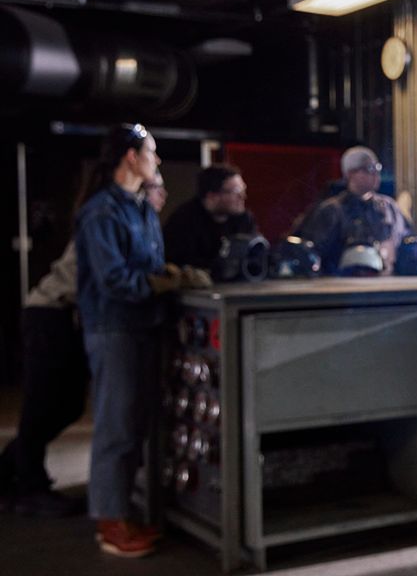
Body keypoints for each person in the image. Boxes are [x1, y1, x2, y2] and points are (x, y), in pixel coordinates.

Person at [0, 171, 169, 519]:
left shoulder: (134, 226)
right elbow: (115, 279)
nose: (162, 195)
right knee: (44, 405)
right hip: (51, 313)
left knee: (67, 406)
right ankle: (28, 488)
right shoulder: (111, 222)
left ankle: (9, 472)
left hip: (72, 316)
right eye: (155, 188)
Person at [75, 125, 205, 558]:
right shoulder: (102, 212)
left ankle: (127, 512)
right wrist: (161, 282)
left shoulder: (140, 208)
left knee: (136, 425)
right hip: (115, 328)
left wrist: (171, 276)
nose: (158, 159)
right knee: (117, 426)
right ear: (131, 157)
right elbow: (114, 279)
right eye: (151, 151)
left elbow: (149, 264)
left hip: (144, 326)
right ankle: (110, 521)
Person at [294, 146, 411, 276]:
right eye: (369, 169)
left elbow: (405, 241)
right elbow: (313, 253)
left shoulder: (389, 207)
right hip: (341, 282)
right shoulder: (331, 211)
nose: (375, 174)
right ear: (350, 173)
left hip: (387, 280)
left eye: (377, 168)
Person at [163, 164, 257, 273]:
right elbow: (179, 265)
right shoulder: (182, 222)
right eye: (236, 191)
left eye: (243, 189)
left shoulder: (244, 218)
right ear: (212, 196)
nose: (243, 196)